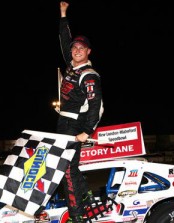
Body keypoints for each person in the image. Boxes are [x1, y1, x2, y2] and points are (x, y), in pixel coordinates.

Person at [57, 1, 104, 223]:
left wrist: (86, 132)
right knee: (68, 167)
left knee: (66, 170)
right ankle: (85, 198)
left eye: (81, 48)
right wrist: (63, 14)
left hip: (75, 125)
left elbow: (96, 106)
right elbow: (64, 39)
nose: (76, 50)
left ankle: (77, 216)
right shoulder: (71, 66)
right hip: (64, 124)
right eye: (74, 48)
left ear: (88, 52)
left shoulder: (89, 74)